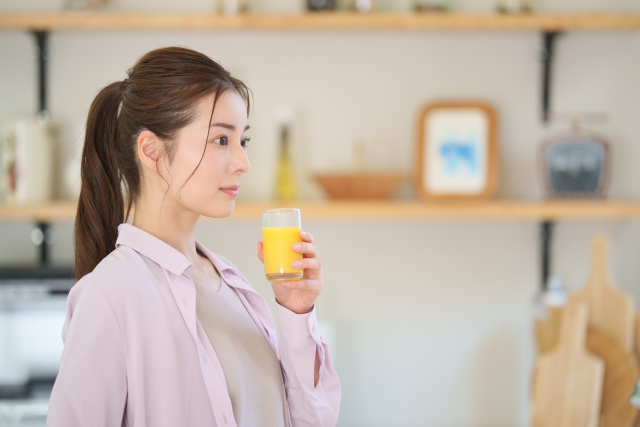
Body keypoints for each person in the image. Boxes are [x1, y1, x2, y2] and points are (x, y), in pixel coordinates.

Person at [46, 46, 341, 427]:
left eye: (243, 141)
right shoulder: (109, 295)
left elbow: (308, 421)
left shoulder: (230, 284)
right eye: (222, 140)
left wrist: (297, 313)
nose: (243, 162)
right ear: (151, 151)